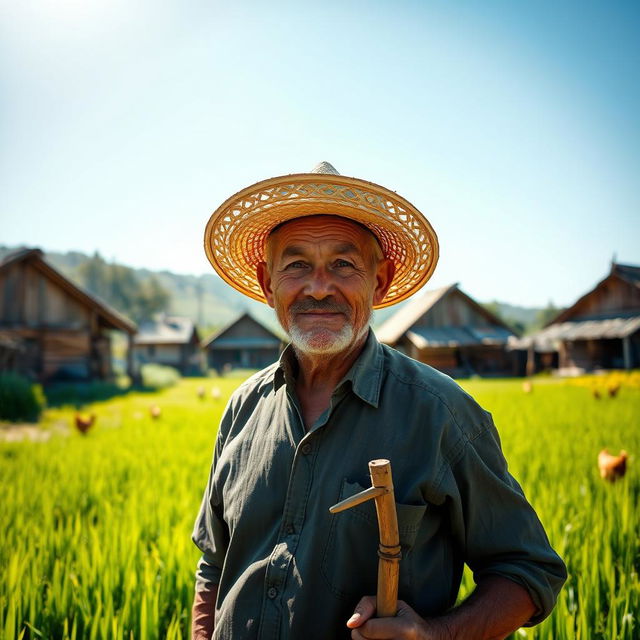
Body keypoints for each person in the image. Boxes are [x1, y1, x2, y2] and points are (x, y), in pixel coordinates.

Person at [191, 162, 566, 640]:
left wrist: (437, 634)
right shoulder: (242, 408)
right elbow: (214, 565)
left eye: (343, 265)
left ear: (380, 282)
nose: (319, 286)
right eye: (297, 264)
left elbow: (527, 571)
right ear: (268, 283)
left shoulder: (440, 414)